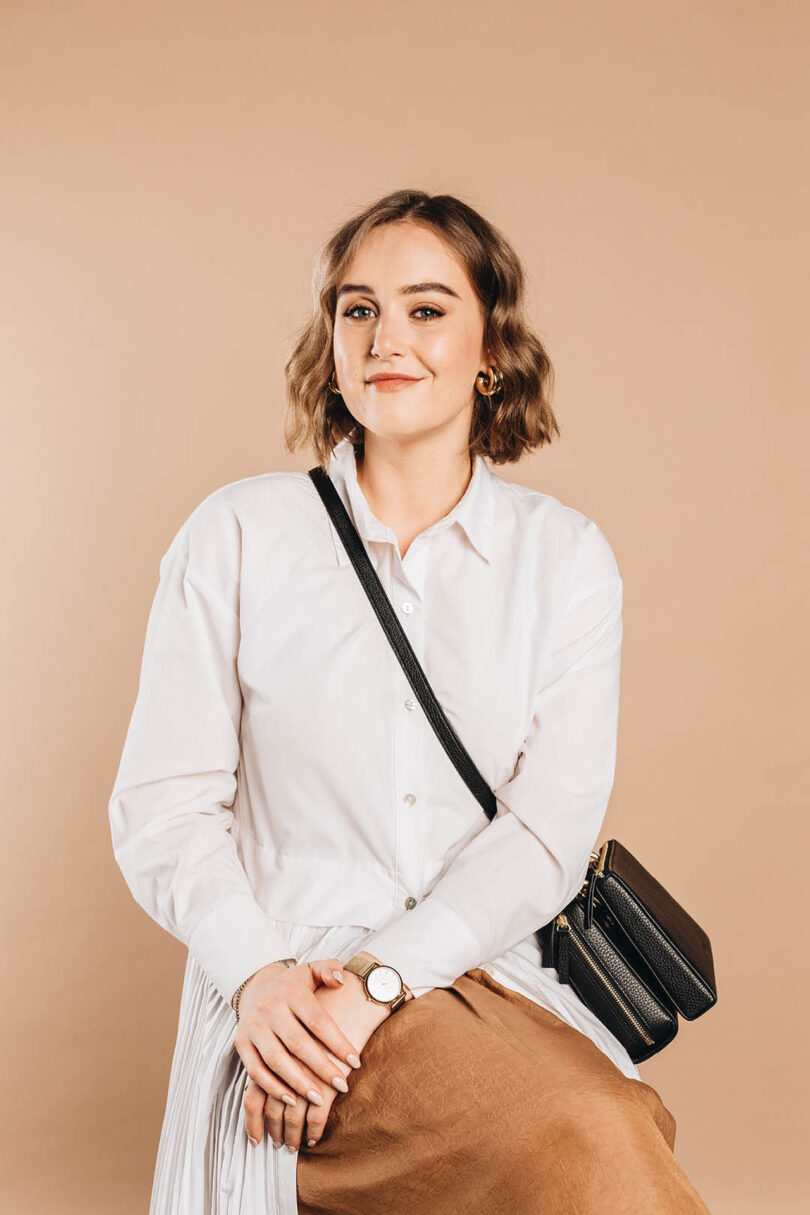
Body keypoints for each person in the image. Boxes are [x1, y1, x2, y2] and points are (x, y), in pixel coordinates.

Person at [108, 188, 711, 1213]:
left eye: (427, 309)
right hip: (286, 1001)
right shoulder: (239, 536)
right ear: (331, 342)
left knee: (601, 1130)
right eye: (358, 309)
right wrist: (261, 980)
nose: (388, 337)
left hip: (489, 978)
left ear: (490, 347)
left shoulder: (562, 558)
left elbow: (549, 828)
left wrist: (385, 983)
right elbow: (162, 809)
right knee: (593, 1139)